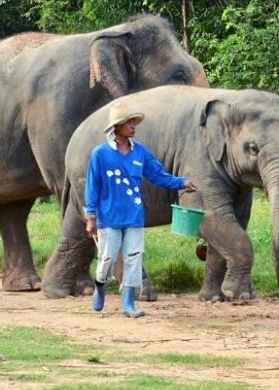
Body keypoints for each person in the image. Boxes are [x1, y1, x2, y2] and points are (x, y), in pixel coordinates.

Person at [84, 102, 197, 318]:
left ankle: (128, 304)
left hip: (134, 216)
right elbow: (92, 187)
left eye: (134, 122)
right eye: (129, 122)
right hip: (108, 218)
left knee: (133, 258)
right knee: (106, 258)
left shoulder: (141, 153)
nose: (133, 126)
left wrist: (182, 182)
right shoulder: (99, 154)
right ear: (116, 126)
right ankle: (100, 286)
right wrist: (91, 217)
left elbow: (158, 176)